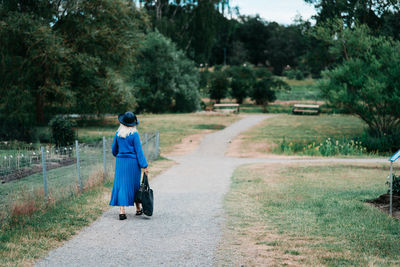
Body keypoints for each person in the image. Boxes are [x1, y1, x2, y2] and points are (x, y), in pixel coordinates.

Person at [109, 112, 149, 220]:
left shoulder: (118, 134)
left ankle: (122, 211)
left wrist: (120, 154)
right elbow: (139, 151)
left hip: (120, 162)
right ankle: (138, 209)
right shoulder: (134, 134)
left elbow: (114, 150)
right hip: (132, 163)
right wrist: (144, 165)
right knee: (134, 185)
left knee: (121, 185)